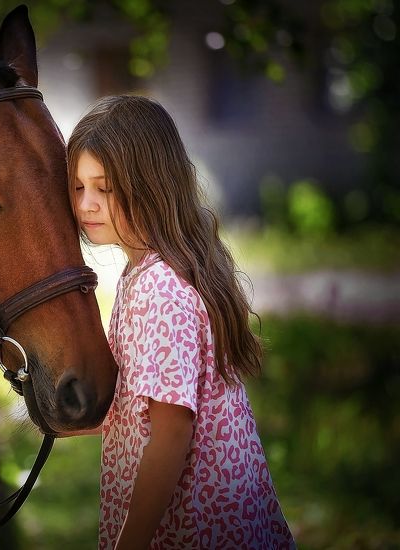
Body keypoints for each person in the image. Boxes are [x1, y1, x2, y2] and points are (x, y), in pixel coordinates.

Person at [66, 95, 294, 549]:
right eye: (78, 187)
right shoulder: (142, 273)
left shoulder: (160, 289)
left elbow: (170, 433)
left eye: (104, 188)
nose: (87, 204)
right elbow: (138, 412)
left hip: (199, 528)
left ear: (148, 183)